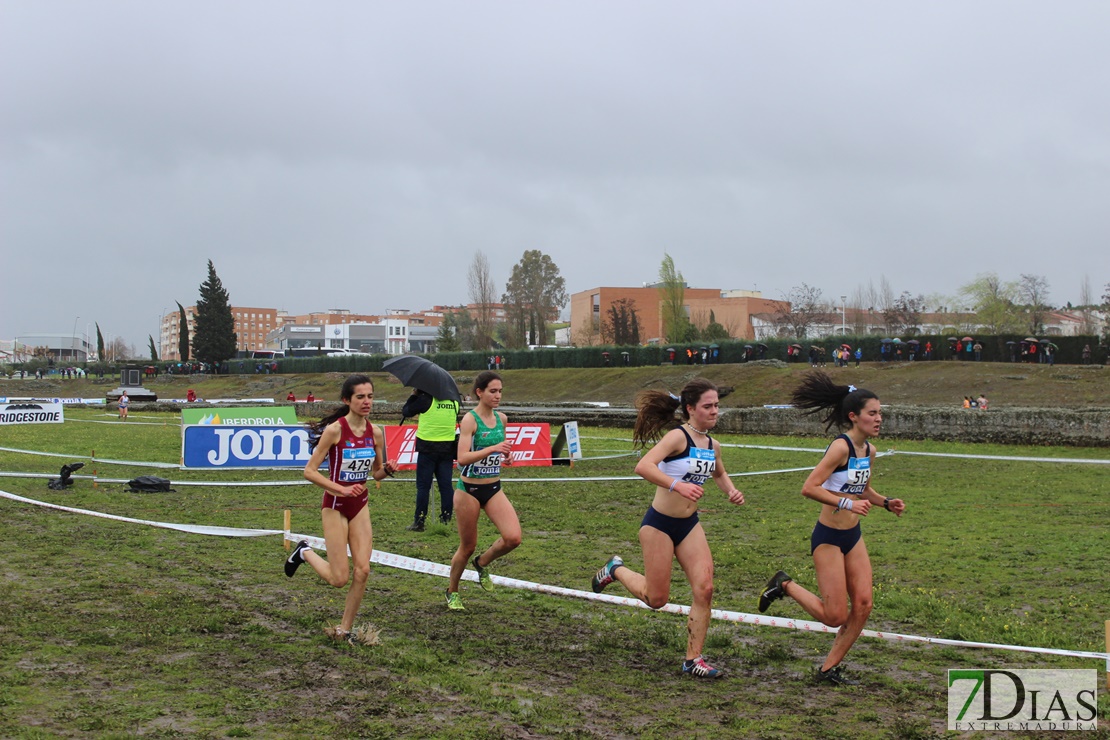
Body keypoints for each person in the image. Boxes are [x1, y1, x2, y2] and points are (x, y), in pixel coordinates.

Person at [590, 378, 745, 678]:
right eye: (708, 406)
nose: (715, 411)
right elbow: (643, 466)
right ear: (690, 409)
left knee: (705, 588)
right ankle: (616, 569)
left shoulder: (713, 444)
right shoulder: (677, 437)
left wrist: (731, 491)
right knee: (657, 599)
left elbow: (720, 473)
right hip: (659, 525)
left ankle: (693, 660)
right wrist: (678, 485)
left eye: (717, 405)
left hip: (689, 525)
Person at [757, 372, 905, 685]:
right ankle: (784, 584)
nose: (879, 419)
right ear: (854, 417)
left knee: (863, 605)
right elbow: (809, 487)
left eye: (881, 413)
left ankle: (828, 669)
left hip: (852, 536)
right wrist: (847, 504)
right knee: (834, 615)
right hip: (829, 538)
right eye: (873, 413)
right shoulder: (840, 447)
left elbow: (861, 488)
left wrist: (885, 502)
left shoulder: (870, 451)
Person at [284, 374, 398, 643]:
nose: (367, 401)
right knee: (338, 578)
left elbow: (376, 474)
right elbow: (309, 472)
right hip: (335, 505)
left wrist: (388, 470)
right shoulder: (335, 430)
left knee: (363, 570)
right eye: (360, 397)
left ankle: (344, 630)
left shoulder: (375, 432)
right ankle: (305, 552)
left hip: (359, 505)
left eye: (370, 396)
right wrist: (341, 488)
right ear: (347, 400)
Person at [445, 371, 521, 611]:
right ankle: (452, 591)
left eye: (500, 391)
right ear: (480, 392)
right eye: (493, 391)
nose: (498, 396)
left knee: (513, 538)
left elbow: (501, 450)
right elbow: (462, 458)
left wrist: (506, 456)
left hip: (493, 488)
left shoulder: (502, 419)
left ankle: (482, 562)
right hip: (468, 490)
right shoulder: (470, 420)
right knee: (467, 546)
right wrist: (492, 449)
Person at [402, 388, 460, 531]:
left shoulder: (426, 399)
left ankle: (419, 521)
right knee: (446, 486)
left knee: (423, 487)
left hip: (427, 449)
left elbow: (406, 411)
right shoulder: (454, 402)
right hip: (447, 449)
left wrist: (413, 395)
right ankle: (446, 519)